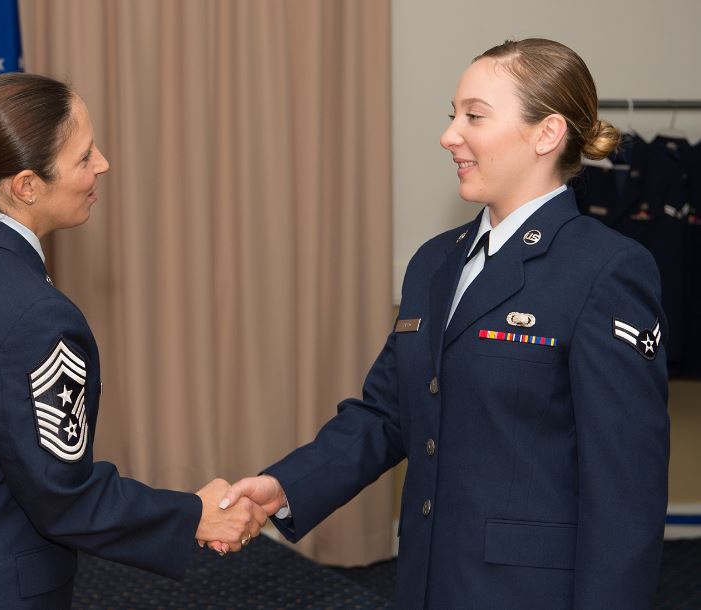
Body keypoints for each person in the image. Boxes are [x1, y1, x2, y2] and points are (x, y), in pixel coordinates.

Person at [219, 39, 669, 609]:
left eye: (474, 116)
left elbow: (626, 492)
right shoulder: (435, 262)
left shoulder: (605, 270)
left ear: (547, 133)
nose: (449, 134)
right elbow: (389, 414)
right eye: (452, 115)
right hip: (430, 580)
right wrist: (285, 487)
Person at [0, 72, 265, 610]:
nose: (103, 164)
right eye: (84, 156)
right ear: (27, 185)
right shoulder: (38, 315)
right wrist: (196, 514)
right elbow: (62, 496)